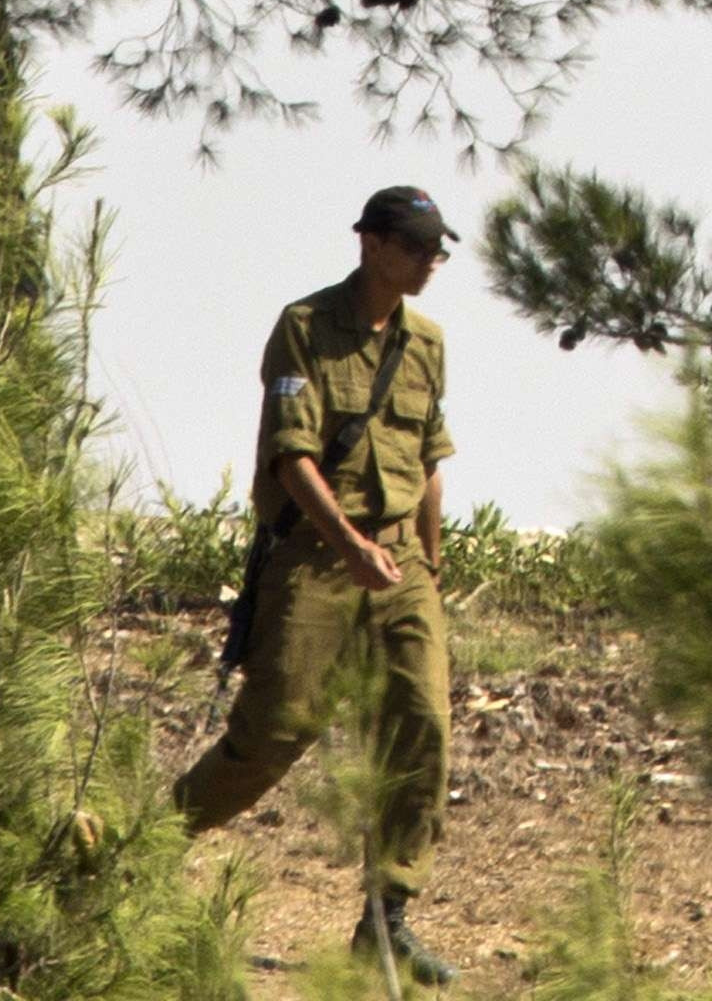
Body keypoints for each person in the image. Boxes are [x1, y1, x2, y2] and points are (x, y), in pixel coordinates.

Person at [174, 185, 466, 985]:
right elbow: (291, 458)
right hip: (316, 559)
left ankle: (387, 918)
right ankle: (150, 843)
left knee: (422, 731)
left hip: (402, 569)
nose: (429, 261)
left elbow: (430, 464)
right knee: (274, 732)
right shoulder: (304, 328)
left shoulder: (428, 342)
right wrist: (349, 544)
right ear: (369, 244)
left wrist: (428, 570)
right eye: (414, 247)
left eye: (437, 249)